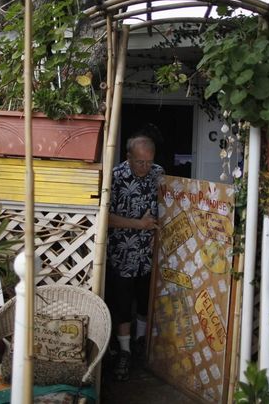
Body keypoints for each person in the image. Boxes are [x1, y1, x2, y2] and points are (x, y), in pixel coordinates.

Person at [106, 135, 163, 381]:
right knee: (122, 305)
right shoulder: (116, 177)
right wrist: (139, 225)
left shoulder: (158, 174)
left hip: (149, 255)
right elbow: (105, 217)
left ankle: (140, 344)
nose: (145, 167)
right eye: (140, 162)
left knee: (145, 302)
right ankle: (124, 352)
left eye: (149, 162)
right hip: (122, 254)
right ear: (128, 157)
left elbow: (167, 205)